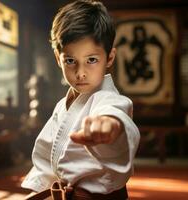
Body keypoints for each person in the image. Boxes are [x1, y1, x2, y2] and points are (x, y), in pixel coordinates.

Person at [21, 0, 140, 199]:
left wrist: (111, 125)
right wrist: (38, 190)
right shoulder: (62, 105)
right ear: (58, 58)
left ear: (109, 58)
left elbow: (116, 112)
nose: (80, 73)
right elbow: (46, 152)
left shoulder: (108, 100)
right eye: (70, 61)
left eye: (91, 60)